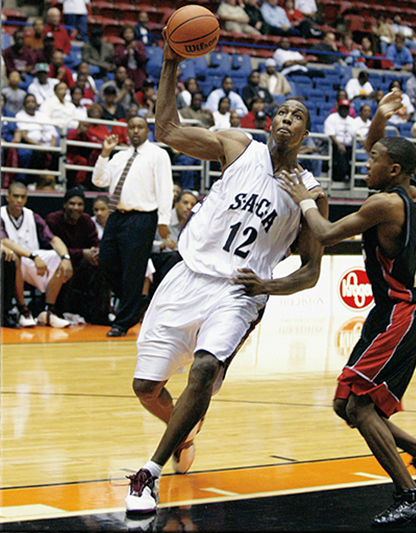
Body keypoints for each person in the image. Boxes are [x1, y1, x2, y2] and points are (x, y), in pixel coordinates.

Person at [124, 39, 327, 515]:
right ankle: (187, 430)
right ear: (270, 120)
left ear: (306, 132)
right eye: (281, 111)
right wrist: (171, 64)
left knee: (204, 369)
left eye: (297, 115)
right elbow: (168, 128)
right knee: (145, 389)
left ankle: (146, 476)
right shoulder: (239, 146)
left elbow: (313, 271)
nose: (286, 119)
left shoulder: (310, 192)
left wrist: (266, 288)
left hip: (240, 290)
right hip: (188, 276)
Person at [279, 87, 416, 529]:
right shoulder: (406, 188)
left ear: (392, 170)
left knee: (359, 407)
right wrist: (378, 117)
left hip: (400, 312)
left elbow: (327, 231)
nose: (365, 163)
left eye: (372, 160)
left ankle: (411, 495)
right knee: (345, 404)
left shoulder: (383, 204)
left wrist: (304, 196)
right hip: (390, 312)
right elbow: (383, 150)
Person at [91, 116, 174, 337]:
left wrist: (163, 220)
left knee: (133, 271)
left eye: (140, 127)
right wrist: (104, 153)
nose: (135, 131)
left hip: (142, 217)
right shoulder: (118, 156)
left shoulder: (158, 154)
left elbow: (165, 188)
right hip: (116, 216)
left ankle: (123, 322)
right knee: (106, 261)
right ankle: (136, 302)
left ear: (148, 131)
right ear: (126, 131)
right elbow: (99, 181)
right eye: (131, 127)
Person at [1, 181, 73, 327]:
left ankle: (48, 311)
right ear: (7, 197)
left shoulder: (32, 215)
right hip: (14, 260)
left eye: (23, 197)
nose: (19, 200)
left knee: (55, 256)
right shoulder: (1, 214)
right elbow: (5, 241)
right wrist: (33, 257)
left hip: (33, 259)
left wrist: (66, 258)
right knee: (16, 258)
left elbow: (53, 239)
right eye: (15, 196)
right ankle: (23, 310)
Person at [46, 187, 111, 325]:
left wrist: (96, 252)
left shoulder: (86, 221)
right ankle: (58, 311)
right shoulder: (53, 220)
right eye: (72, 204)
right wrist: (82, 252)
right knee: (65, 266)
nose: (76, 208)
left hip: (81, 263)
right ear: (64, 204)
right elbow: (51, 248)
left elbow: (95, 242)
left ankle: (102, 314)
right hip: (58, 262)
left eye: (80, 204)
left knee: (102, 265)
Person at [149, 190, 198, 296]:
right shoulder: (163, 220)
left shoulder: (195, 223)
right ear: (176, 204)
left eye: (192, 204)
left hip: (182, 260)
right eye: (185, 203)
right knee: (173, 257)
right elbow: (146, 245)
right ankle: (165, 295)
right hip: (158, 259)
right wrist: (161, 245)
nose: (189, 207)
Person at [323, 98, 356, 182]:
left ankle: (353, 177)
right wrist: (338, 144)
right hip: (335, 145)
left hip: (349, 146)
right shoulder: (332, 118)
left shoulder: (352, 121)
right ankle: (341, 176)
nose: (344, 110)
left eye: (346, 108)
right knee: (340, 154)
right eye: (342, 108)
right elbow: (330, 134)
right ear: (338, 108)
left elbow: (355, 133)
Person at [114, 25, 148, 91]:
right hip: (126, 74)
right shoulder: (119, 47)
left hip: (138, 73)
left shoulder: (140, 45)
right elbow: (117, 62)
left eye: (130, 33)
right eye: (126, 33)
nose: (128, 35)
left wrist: (136, 50)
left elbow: (143, 59)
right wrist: (126, 53)